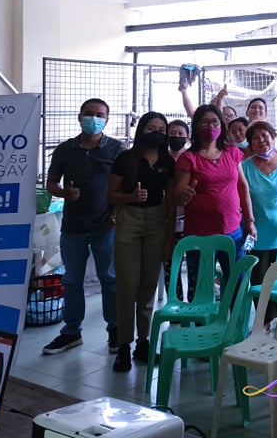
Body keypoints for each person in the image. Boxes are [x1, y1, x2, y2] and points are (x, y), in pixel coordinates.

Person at [42, 98, 122, 355]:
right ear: (80, 117)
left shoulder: (117, 150)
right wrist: (65, 193)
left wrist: (115, 215)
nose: (94, 118)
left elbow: (125, 187)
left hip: (105, 225)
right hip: (74, 227)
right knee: (72, 280)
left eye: (100, 115)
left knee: (109, 279)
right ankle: (71, 332)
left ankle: (116, 329)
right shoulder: (65, 150)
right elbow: (52, 183)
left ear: (107, 119)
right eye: (89, 113)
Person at [107, 111, 174, 372]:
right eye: (150, 128)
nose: (156, 132)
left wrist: (169, 236)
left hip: (157, 222)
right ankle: (123, 346)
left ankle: (143, 344)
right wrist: (130, 197)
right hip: (129, 220)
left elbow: (170, 201)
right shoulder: (126, 158)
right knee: (127, 286)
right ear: (141, 130)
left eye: (161, 128)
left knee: (148, 288)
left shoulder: (168, 161)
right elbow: (111, 195)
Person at [172, 104, 257, 288]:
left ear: (221, 125)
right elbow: (177, 194)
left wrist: (249, 220)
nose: (210, 127)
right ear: (195, 127)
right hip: (200, 235)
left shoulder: (233, 153)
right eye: (204, 122)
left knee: (238, 284)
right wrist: (183, 195)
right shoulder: (189, 158)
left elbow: (242, 186)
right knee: (203, 289)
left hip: (233, 232)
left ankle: (236, 318)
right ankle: (206, 319)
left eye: (214, 122)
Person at [242, 120, 277, 323]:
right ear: (250, 143)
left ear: (273, 136)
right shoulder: (244, 167)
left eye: (265, 135)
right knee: (260, 285)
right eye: (255, 137)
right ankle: (266, 326)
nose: (261, 140)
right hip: (257, 235)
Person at [164, 119, 190, 299]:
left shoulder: (191, 159)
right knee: (171, 264)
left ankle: (195, 301)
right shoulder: (161, 160)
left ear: (187, 137)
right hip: (167, 222)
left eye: (180, 134)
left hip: (191, 220)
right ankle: (175, 301)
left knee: (195, 265)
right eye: (172, 133)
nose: (176, 137)